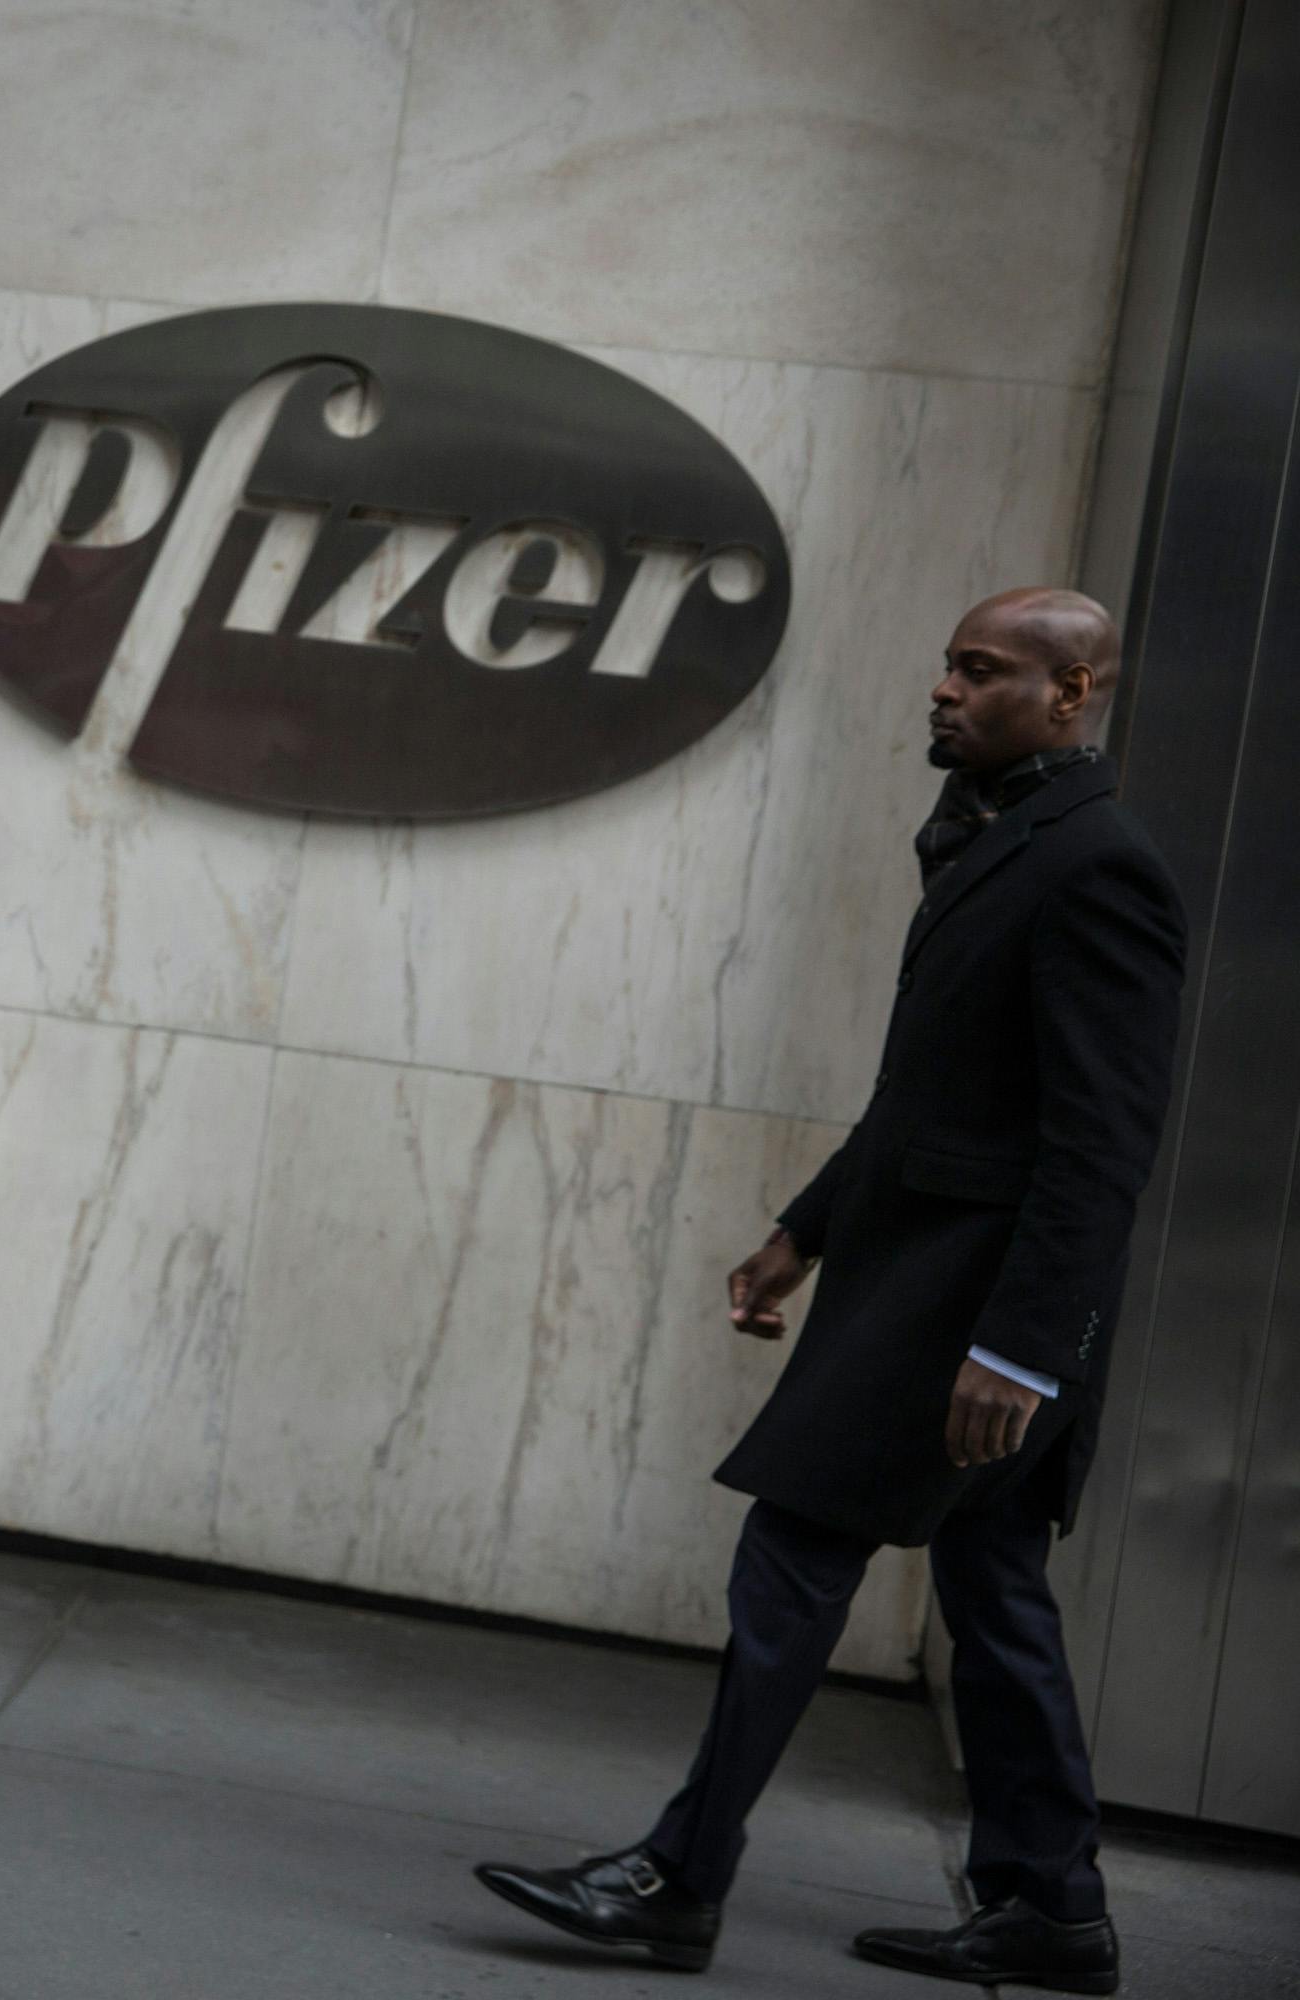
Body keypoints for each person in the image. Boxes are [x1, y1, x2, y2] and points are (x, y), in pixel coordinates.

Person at [470, 588, 1185, 1993]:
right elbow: (933, 1098)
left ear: (1072, 694)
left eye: (982, 671)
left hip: (970, 1314)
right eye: (947, 661)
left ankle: (680, 1879)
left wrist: (1025, 1353)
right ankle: (1052, 1906)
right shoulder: (999, 839)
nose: (944, 688)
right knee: (993, 1592)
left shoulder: (1098, 865)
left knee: (794, 1558)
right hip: (922, 1286)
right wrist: (805, 1230)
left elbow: (1101, 1142)